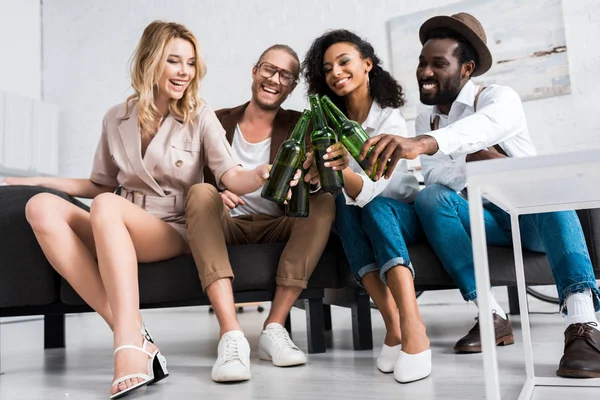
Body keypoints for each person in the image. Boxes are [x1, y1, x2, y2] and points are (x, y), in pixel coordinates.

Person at [0, 21, 299, 398]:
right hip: (117, 221)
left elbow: (229, 174)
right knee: (42, 207)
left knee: (107, 207)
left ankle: (126, 347)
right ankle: (136, 338)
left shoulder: (198, 114)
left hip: (172, 228)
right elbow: (100, 184)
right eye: (174, 61)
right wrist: (38, 182)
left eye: (190, 63)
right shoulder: (116, 117)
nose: (184, 72)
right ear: (150, 61)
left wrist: (257, 173)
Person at [360, 12, 600, 378]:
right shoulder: (428, 118)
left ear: (467, 68)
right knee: (431, 197)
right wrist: (476, 161)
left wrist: (428, 145)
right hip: (481, 219)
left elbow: (482, 128)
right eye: (422, 63)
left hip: (529, 217)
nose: (425, 72)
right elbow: (437, 174)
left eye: (438, 64)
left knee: (547, 186)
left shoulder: (499, 98)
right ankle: (490, 315)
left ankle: (583, 326)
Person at [185, 44, 347, 383]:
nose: (274, 79)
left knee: (324, 202)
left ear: (292, 86)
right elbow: (192, 176)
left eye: (285, 76)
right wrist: (216, 190)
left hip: (280, 222)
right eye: (269, 70)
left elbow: (317, 183)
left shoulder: (302, 125)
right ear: (255, 71)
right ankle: (231, 334)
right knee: (200, 192)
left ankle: (274, 327)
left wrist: (314, 176)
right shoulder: (217, 120)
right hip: (229, 223)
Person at [302, 29, 430, 384]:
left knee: (372, 208)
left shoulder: (389, 119)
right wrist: (316, 171)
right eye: (327, 68)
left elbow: (374, 188)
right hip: (358, 215)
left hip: (403, 215)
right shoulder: (326, 123)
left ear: (367, 64)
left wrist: (342, 168)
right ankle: (391, 322)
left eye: (344, 62)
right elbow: (336, 190)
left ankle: (412, 324)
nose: (336, 72)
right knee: (342, 210)